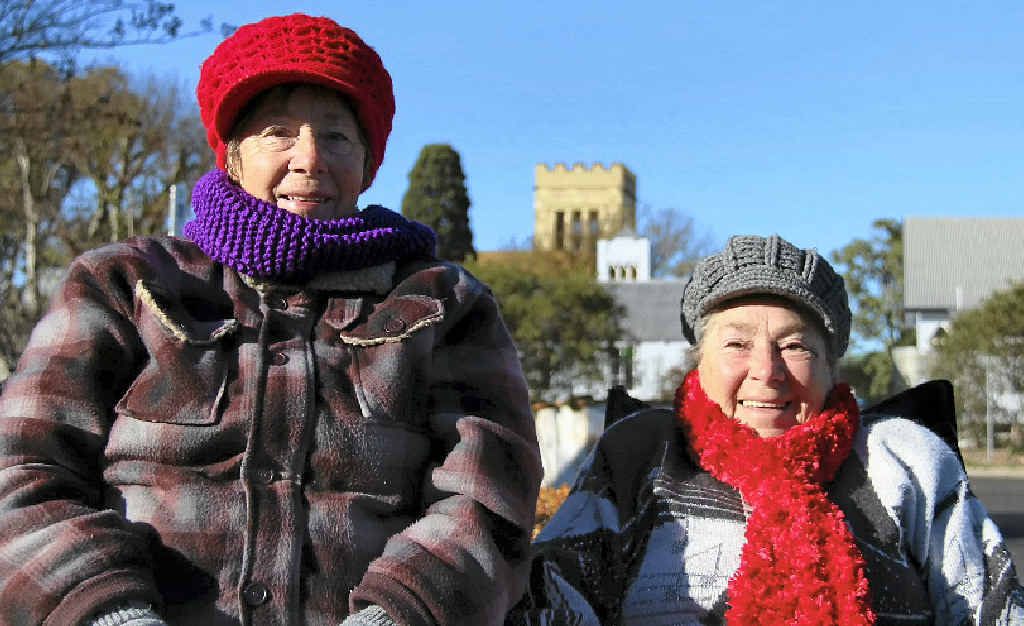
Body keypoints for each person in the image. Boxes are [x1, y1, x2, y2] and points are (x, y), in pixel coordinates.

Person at [0, 14, 542, 626]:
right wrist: (105, 613)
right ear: (231, 155)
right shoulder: (123, 282)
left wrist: (396, 617)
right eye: (277, 134)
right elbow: (22, 471)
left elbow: (489, 498)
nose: (309, 159)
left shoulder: (442, 303)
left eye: (337, 137)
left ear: (367, 163)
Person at [511, 235, 1024, 625]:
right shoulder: (640, 454)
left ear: (830, 366)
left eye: (795, 346)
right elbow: (550, 599)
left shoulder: (906, 458)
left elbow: (993, 609)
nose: (767, 371)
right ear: (699, 362)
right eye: (736, 345)